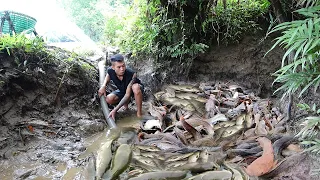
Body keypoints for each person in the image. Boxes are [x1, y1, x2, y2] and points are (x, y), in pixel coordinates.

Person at [98, 54, 143, 120]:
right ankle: (126, 107)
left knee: (135, 87)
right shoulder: (110, 70)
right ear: (113, 67)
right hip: (123, 90)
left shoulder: (132, 74)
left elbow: (127, 94)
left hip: (135, 91)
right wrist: (103, 86)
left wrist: (115, 110)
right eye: (119, 67)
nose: (122, 69)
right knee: (108, 99)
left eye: (123, 66)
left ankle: (139, 113)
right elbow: (108, 75)